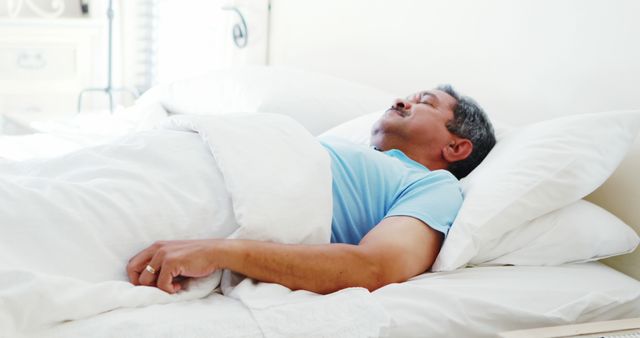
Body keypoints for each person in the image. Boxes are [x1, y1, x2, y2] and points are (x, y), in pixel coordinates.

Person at [126, 84, 496, 294]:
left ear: (456, 147)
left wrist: (221, 252)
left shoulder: (433, 186)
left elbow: (378, 266)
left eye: (424, 103)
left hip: (203, 196)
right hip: (179, 157)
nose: (401, 101)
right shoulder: (335, 146)